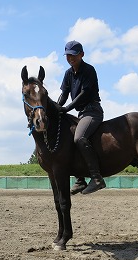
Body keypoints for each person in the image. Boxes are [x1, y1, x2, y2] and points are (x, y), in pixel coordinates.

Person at [57, 40, 106, 195]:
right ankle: (79, 180)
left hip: (92, 111)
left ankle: (97, 178)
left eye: (74, 55)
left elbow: (83, 95)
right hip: (80, 113)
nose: (70, 58)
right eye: (68, 55)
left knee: (79, 138)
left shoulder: (89, 70)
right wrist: (56, 108)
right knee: (68, 138)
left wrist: (65, 109)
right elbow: (64, 94)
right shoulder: (68, 73)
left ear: (82, 54)